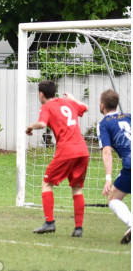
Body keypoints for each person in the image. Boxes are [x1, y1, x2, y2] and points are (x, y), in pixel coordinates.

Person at [25, 80, 89, 237]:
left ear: (41, 94)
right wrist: (73, 99)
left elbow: (41, 123)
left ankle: (49, 222)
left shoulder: (46, 107)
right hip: (82, 150)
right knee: (77, 188)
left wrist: (30, 127)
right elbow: (85, 108)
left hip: (66, 150)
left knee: (46, 183)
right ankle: (78, 228)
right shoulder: (68, 102)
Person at [97, 89, 131, 244]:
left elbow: (106, 152)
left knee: (112, 198)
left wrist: (108, 179)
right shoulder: (129, 117)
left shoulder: (104, 124)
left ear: (102, 105)